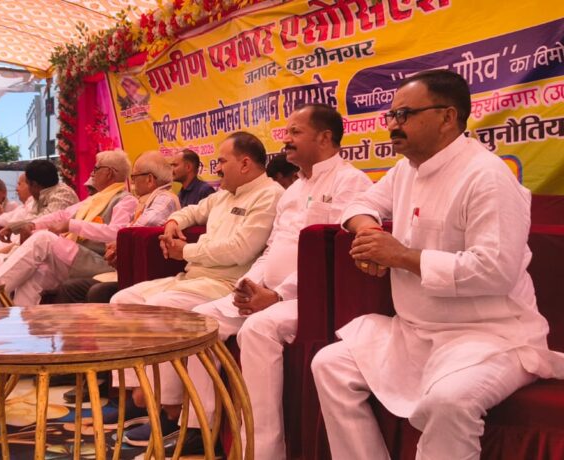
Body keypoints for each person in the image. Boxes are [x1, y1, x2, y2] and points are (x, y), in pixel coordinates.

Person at [310, 69, 564, 460]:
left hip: (492, 338)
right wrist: (371, 235)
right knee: (330, 365)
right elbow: (361, 204)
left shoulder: (487, 177)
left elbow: (494, 270)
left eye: (404, 115)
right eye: (391, 115)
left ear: (447, 117)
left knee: (448, 402)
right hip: (416, 334)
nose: (392, 125)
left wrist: (400, 256)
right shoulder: (407, 170)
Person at [153, 104, 371, 457]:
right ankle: (199, 426)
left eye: (296, 132)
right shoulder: (294, 190)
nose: (286, 139)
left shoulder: (351, 183)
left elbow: (333, 258)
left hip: (314, 297)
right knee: (199, 320)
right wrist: (249, 285)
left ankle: (262, 450)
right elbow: (272, 250)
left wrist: (278, 295)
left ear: (325, 137)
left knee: (257, 329)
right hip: (268, 291)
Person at [111, 132, 284, 446]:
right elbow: (189, 211)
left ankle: (170, 410)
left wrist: (186, 251)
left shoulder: (269, 195)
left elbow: (240, 250)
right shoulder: (223, 195)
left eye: (222, 161)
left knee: (162, 306)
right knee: (122, 299)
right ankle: (134, 396)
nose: (216, 168)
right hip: (194, 278)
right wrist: (172, 224)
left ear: (245, 164)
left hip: (226, 283)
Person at [0, 150, 144, 307]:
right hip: (76, 259)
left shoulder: (126, 200)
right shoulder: (93, 200)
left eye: (96, 169)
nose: (92, 173)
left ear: (109, 173)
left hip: (100, 263)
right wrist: (32, 225)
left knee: (44, 238)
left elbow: (116, 233)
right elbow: (61, 215)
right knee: (32, 278)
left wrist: (72, 225)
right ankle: (15, 319)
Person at [52, 150, 181, 304]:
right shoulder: (145, 200)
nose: (132, 182)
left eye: (134, 177)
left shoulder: (164, 198)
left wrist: (118, 244)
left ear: (149, 179)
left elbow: (145, 224)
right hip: (128, 267)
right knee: (70, 287)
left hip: (151, 273)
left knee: (91, 290)